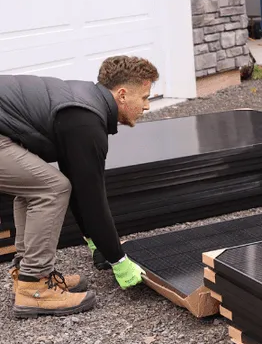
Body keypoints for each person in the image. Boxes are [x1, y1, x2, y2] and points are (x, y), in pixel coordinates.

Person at [0, 55, 157, 317]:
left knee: (38, 184)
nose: (147, 106)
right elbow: (93, 198)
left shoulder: (83, 106)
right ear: (122, 94)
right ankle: (33, 287)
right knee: (52, 188)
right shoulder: (84, 120)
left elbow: (82, 187)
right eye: (144, 97)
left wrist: (96, 242)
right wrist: (118, 259)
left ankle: (28, 272)